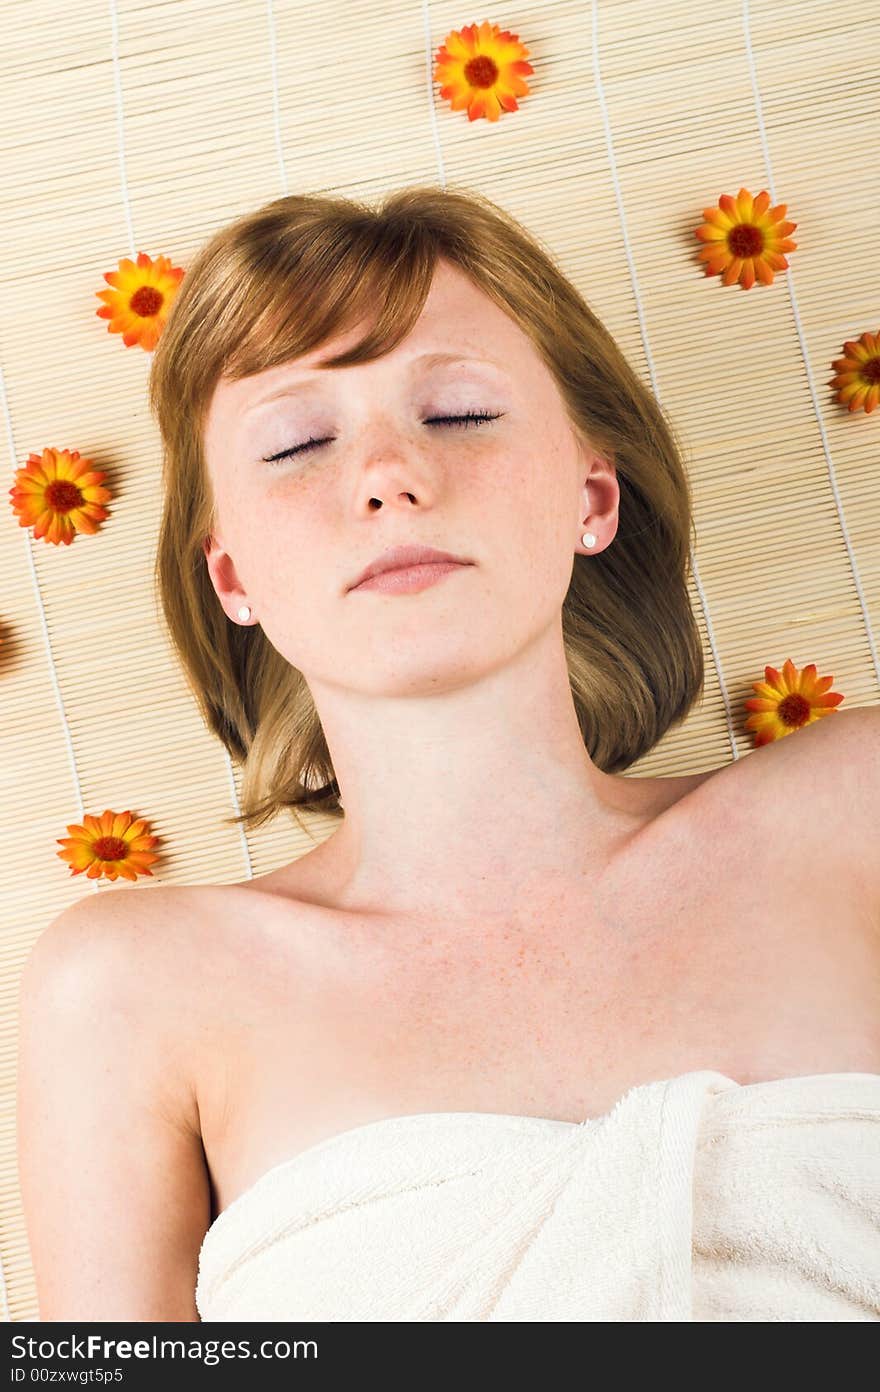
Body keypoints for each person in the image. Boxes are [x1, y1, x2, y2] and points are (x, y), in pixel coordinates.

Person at [17, 187, 880, 1322]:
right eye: (297, 443)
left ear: (591, 493)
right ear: (231, 576)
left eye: (460, 415)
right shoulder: (126, 992)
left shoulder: (852, 812)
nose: (385, 475)